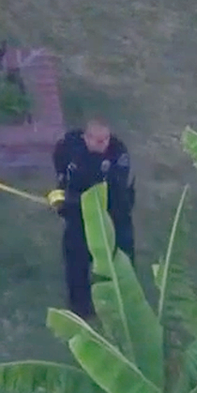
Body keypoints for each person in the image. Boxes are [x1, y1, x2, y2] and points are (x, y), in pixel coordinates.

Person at [46, 120, 136, 318]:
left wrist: (71, 201)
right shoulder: (69, 146)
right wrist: (61, 192)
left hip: (114, 214)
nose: (103, 144)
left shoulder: (118, 153)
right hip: (78, 216)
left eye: (106, 139)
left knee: (120, 257)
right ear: (85, 138)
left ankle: (122, 301)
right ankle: (81, 307)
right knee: (75, 258)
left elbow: (113, 192)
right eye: (97, 140)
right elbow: (61, 168)